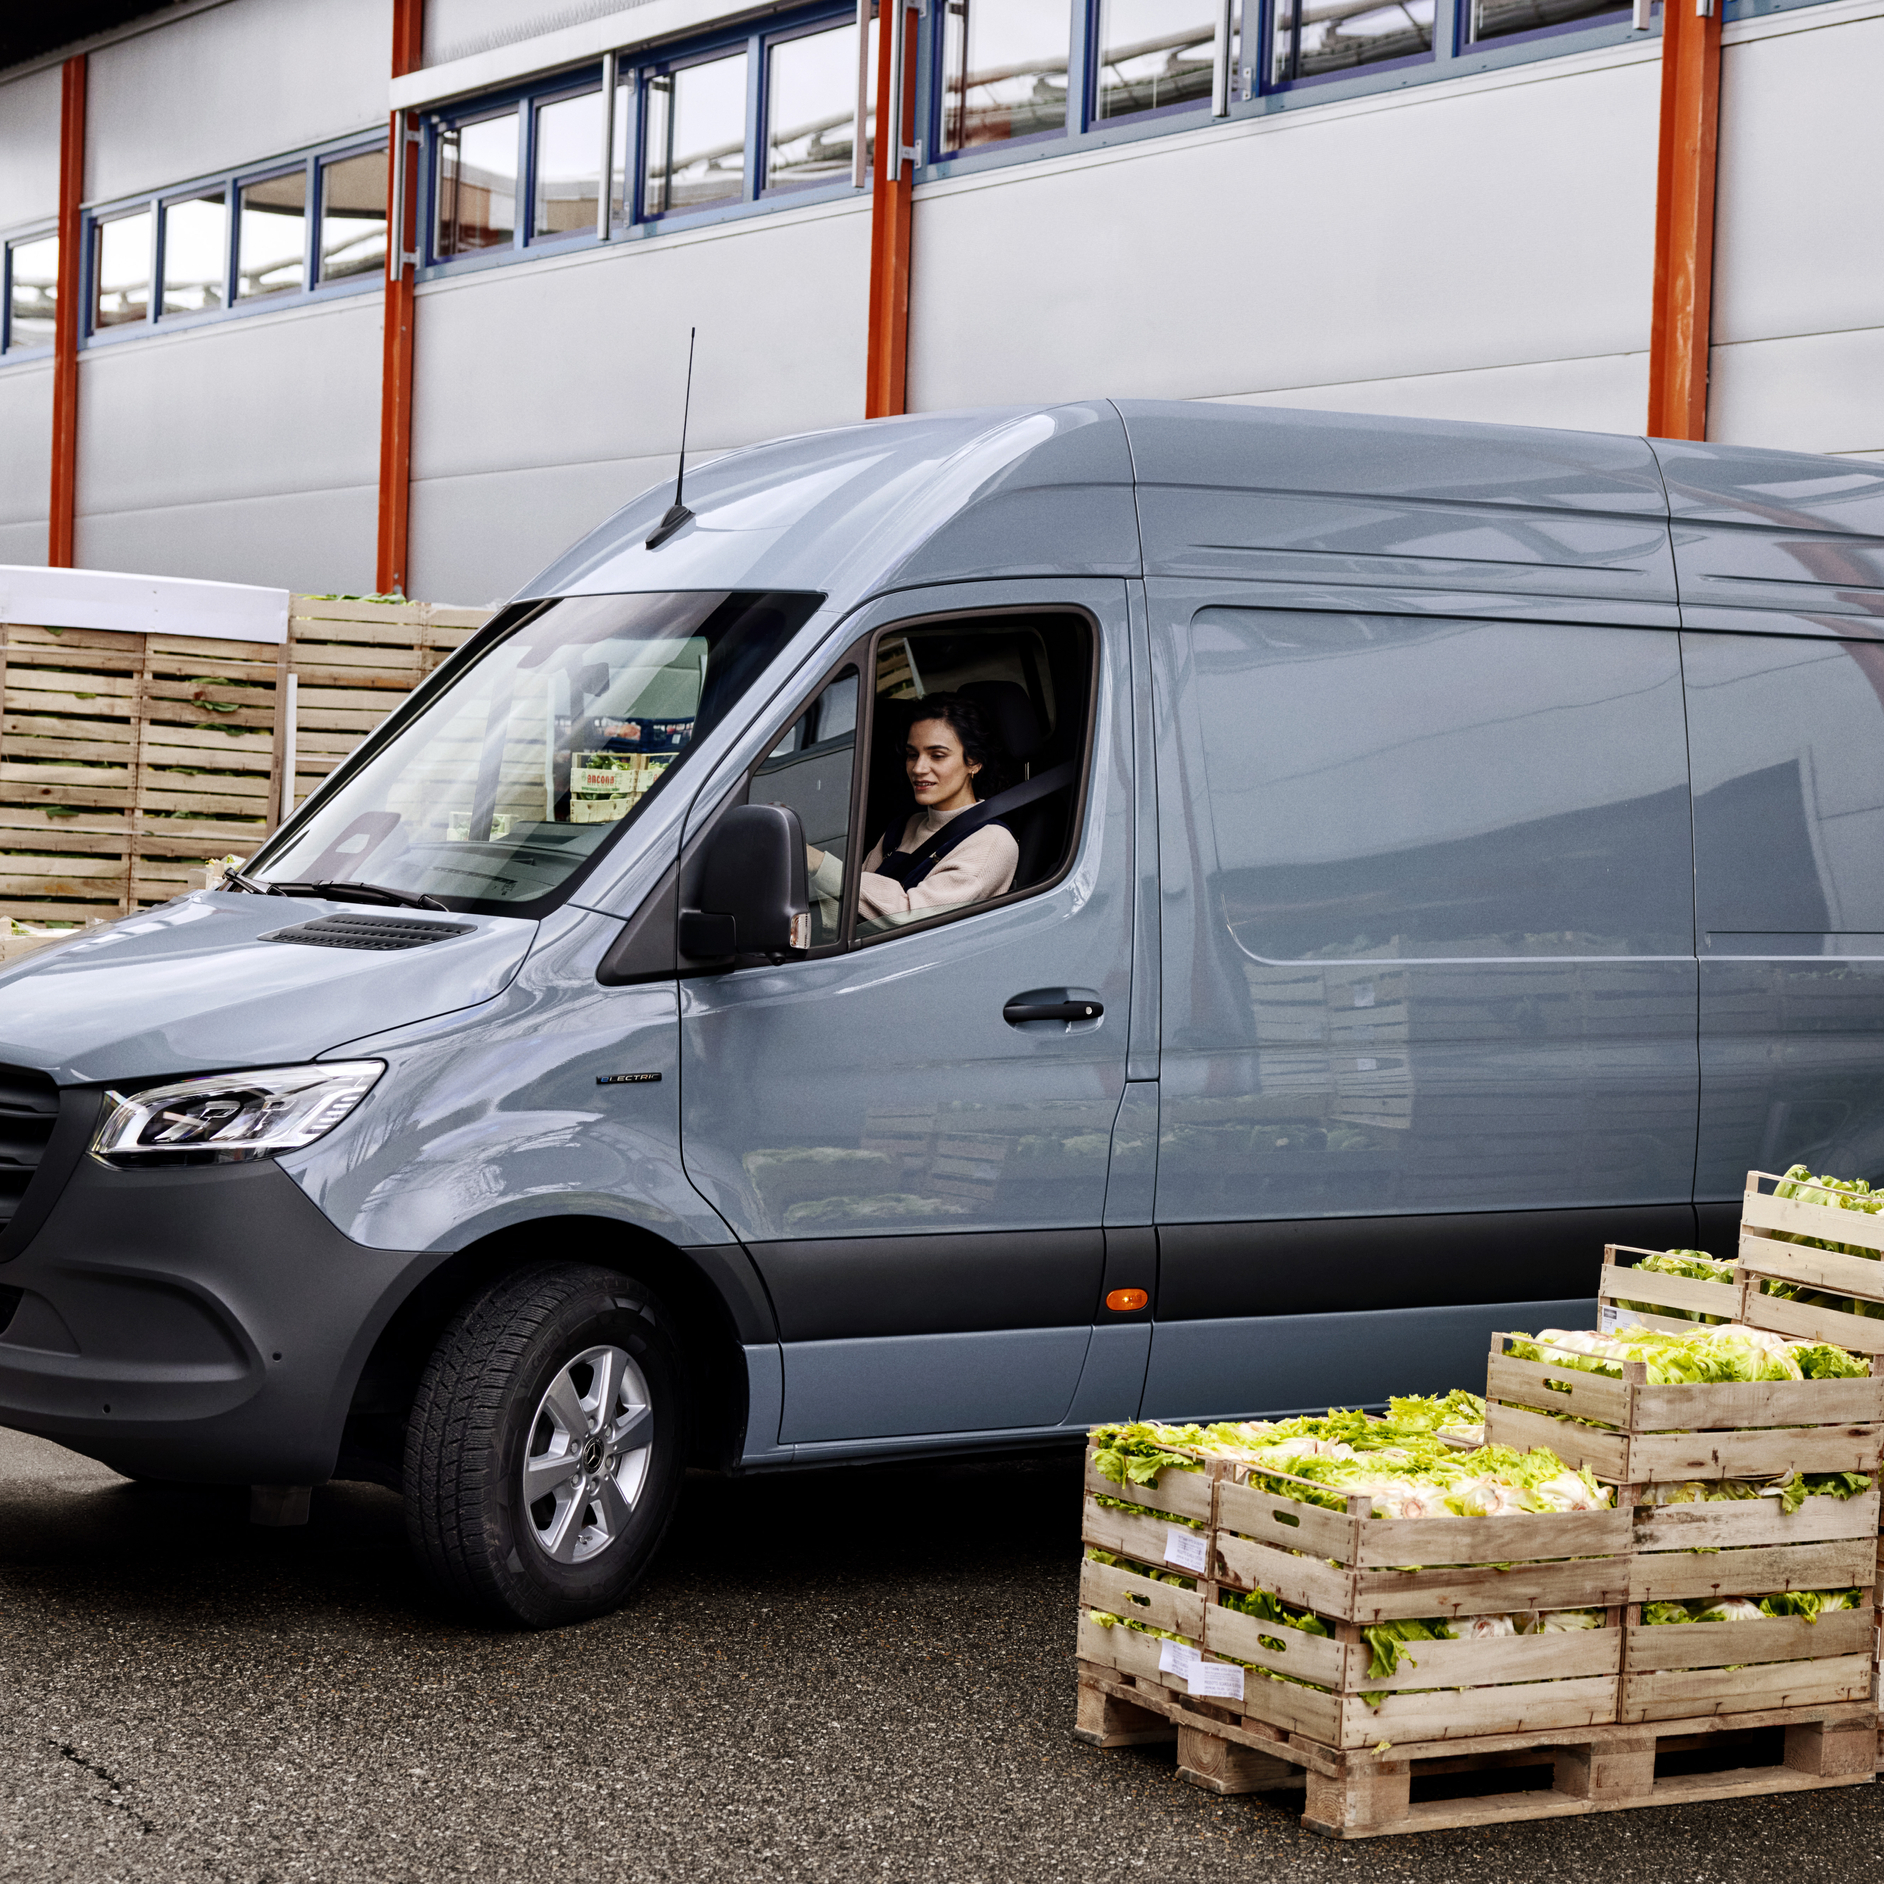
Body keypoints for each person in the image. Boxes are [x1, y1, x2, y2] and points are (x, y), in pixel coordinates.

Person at [807, 693, 1019, 927]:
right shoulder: (902, 828)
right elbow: (852, 904)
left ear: (974, 762)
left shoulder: (991, 842)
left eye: (937, 756)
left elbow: (913, 917)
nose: (918, 768)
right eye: (912, 755)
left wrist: (818, 863)